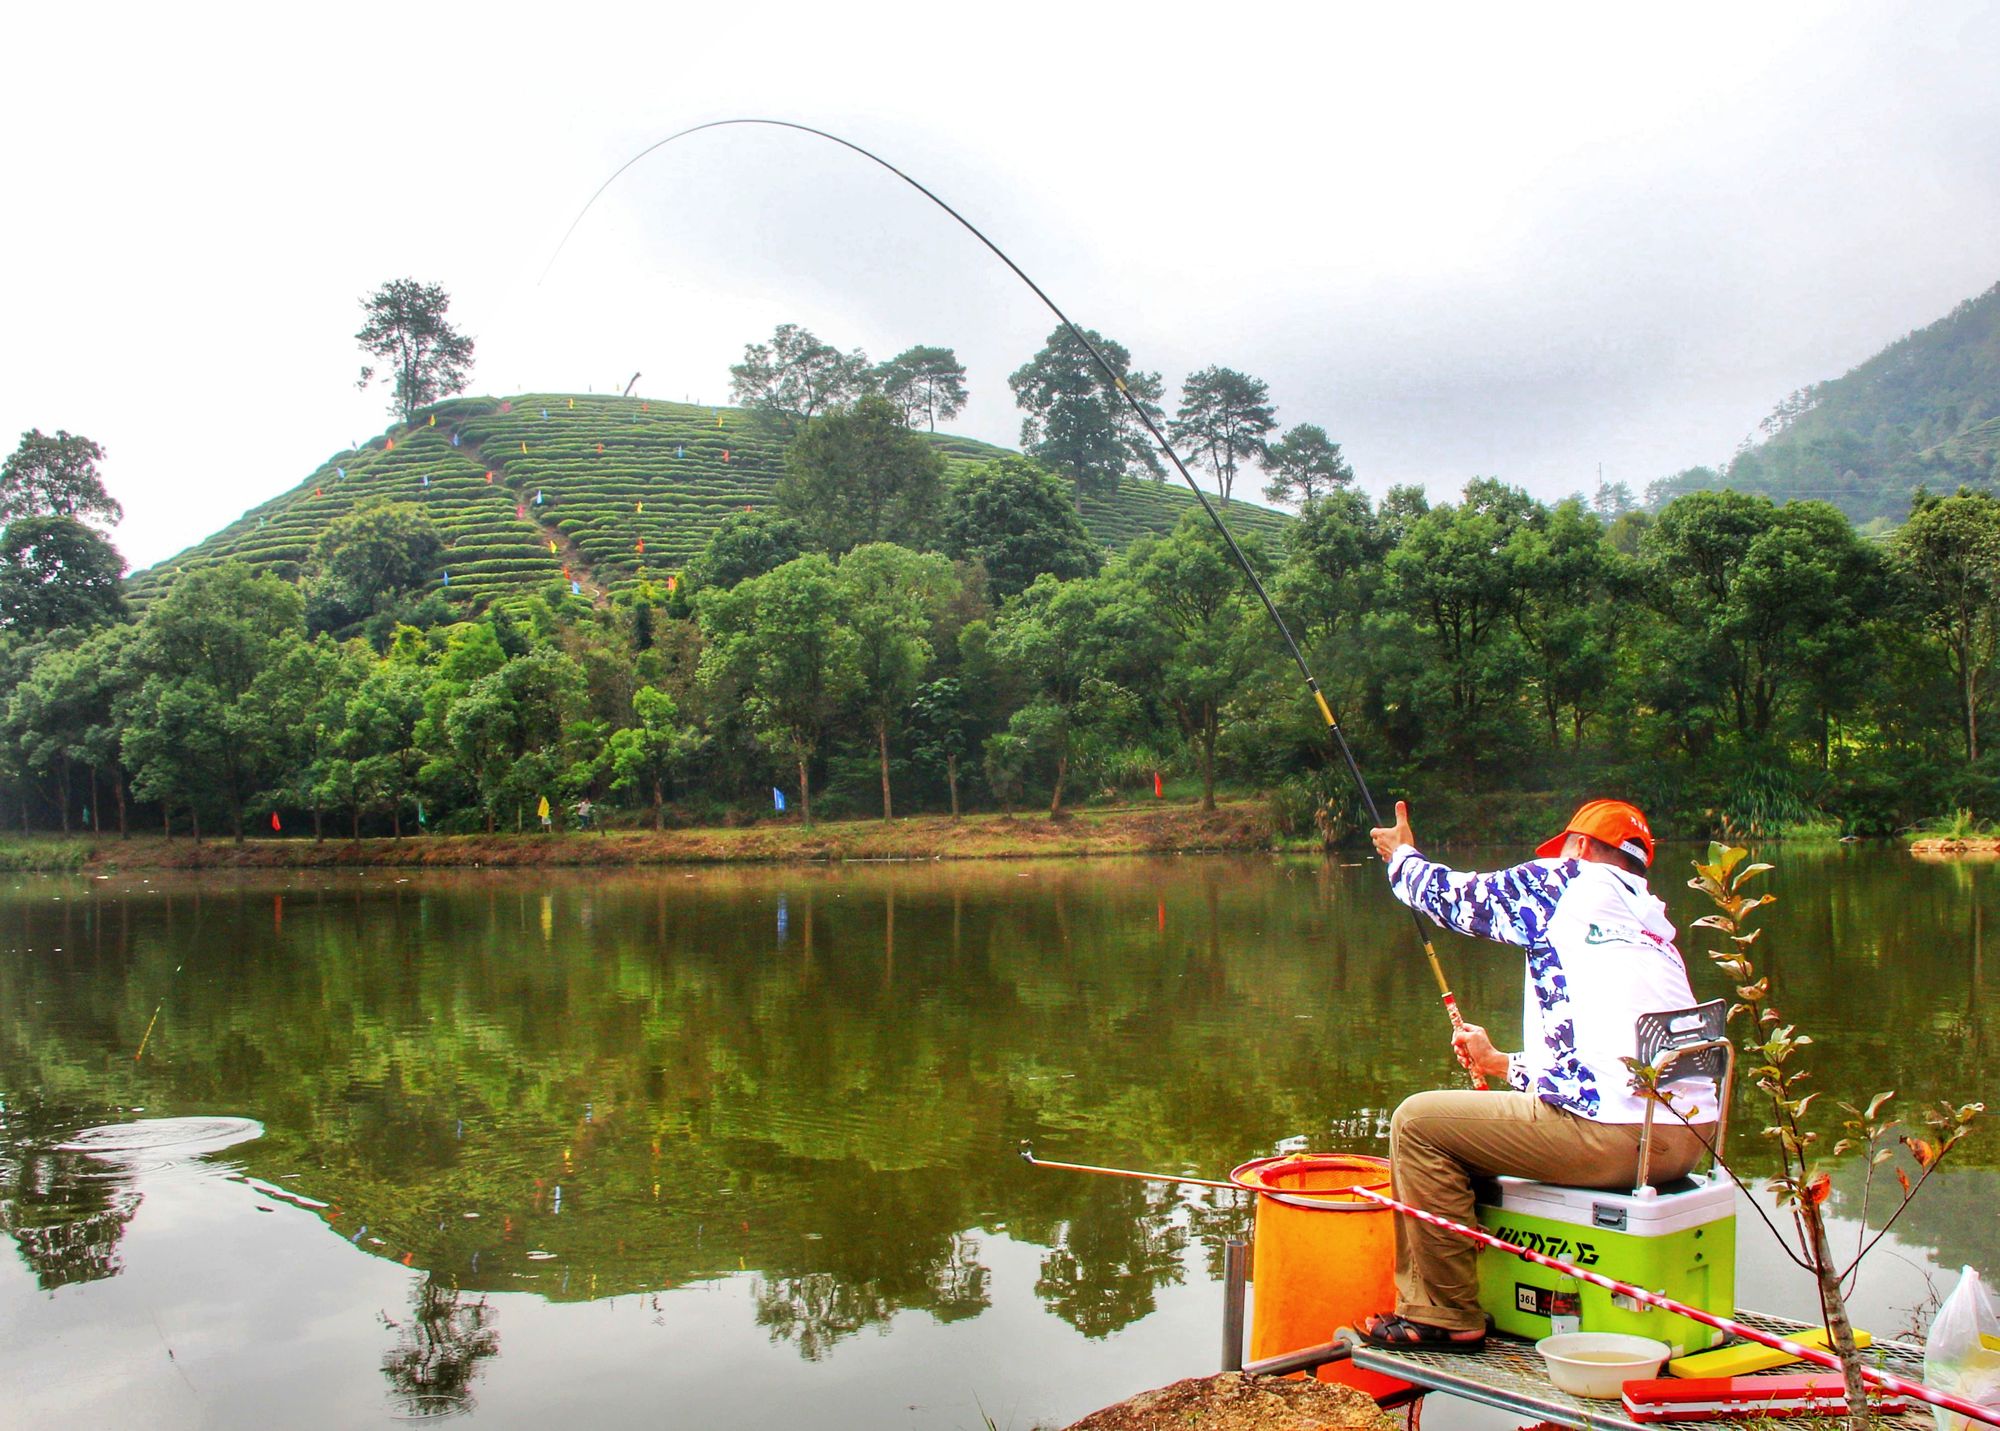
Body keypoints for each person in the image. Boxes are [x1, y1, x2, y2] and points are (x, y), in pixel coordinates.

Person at [1356, 798, 1717, 1350]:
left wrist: (1402, 857)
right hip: (1687, 1139)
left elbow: (1460, 901)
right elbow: (1603, 1062)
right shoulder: (1651, 928)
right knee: (1454, 1125)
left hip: (1615, 1140)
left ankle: (1445, 1314)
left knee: (1418, 1124)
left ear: (1579, 846)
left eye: (1566, 847)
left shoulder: (1570, 882)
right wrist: (1502, 1065)